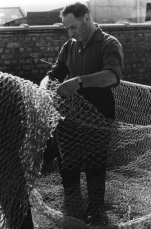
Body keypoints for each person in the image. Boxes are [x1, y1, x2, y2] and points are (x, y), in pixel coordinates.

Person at [40, 1, 123, 226]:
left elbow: (112, 76)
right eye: (67, 28)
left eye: (73, 26)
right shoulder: (69, 46)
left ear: (87, 18)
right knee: (68, 163)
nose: (70, 32)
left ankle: (96, 211)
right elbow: (54, 73)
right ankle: (73, 207)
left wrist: (78, 82)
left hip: (99, 117)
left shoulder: (108, 43)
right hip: (70, 117)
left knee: (95, 165)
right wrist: (43, 86)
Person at [0, 74, 34, 229]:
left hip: (7, 155)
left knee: (15, 205)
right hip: (9, 154)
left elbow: (19, 125)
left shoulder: (7, 85)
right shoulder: (10, 84)